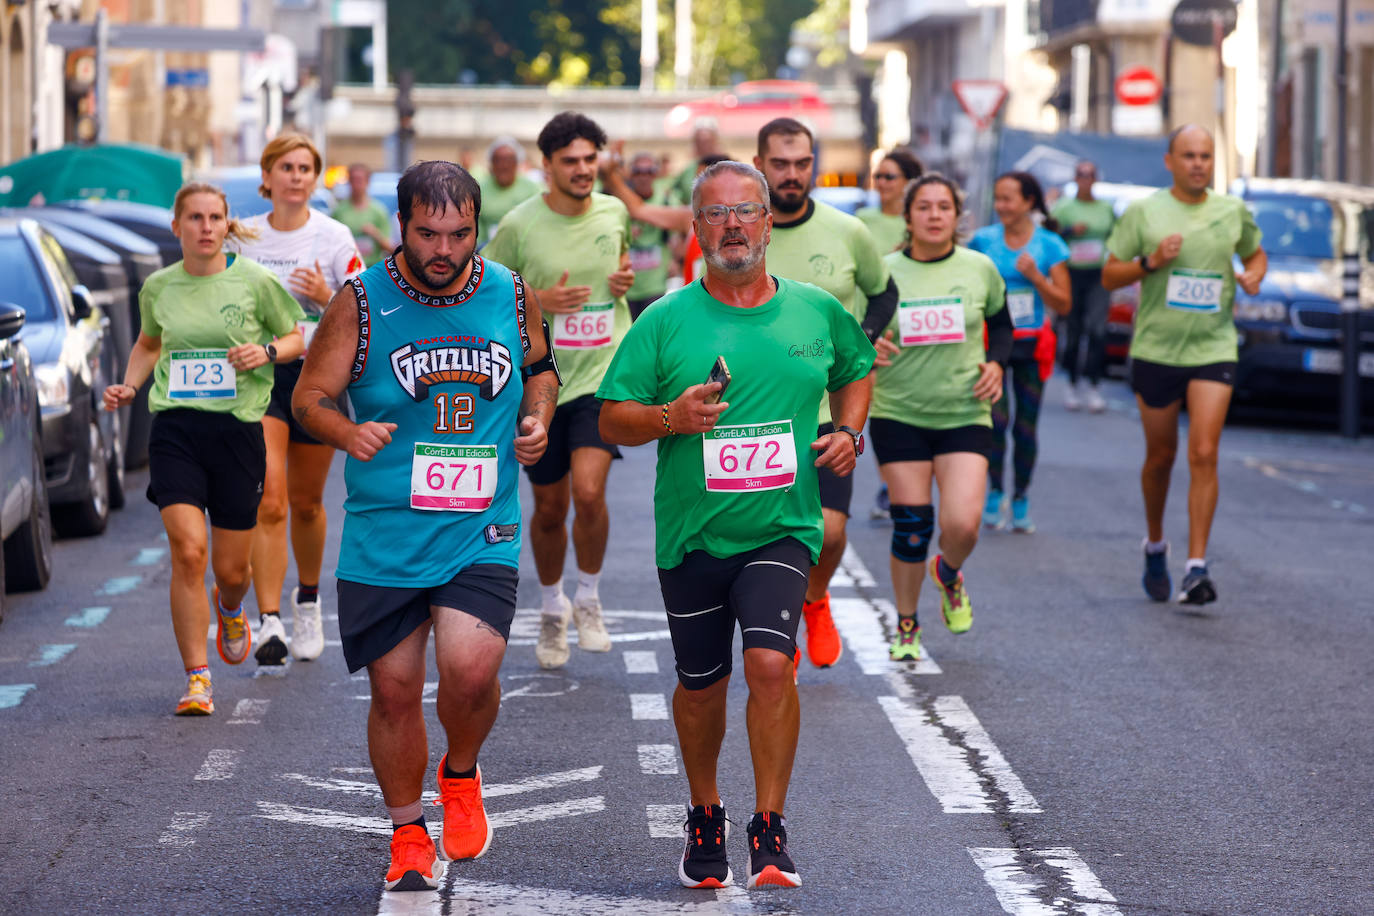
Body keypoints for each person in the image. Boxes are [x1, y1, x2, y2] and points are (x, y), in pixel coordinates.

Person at [597, 161, 875, 890]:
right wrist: (670, 418)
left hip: (782, 526)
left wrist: (851, 430)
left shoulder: (815, 310)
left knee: (770, 663)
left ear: (768, 221)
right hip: (692, 534)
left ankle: (770, 827)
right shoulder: (663, 319)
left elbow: (857, 366)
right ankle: (705, 811)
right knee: (701, 685)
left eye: (745, 212)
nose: (732, 226)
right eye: (716, 215)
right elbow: (610, 417)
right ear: (696, 228)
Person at [292, 160, 559, 891]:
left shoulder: (510, 293)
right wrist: (345, 435)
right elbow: (309, 398)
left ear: (477, 227)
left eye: (459, 235)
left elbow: (543, 367)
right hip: (386, 532)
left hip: (481, 524)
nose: (443, 250)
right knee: (395, 692)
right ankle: (409, 829)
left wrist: (536, 419)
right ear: (401, 224)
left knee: (470, 672)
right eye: (427, 234)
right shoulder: (360, 302)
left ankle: (462, 772)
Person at [103, 182, 305, 715]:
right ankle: (198, 679)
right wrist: (129, 384)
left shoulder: (255, 281)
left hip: (238, 432)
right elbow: (150, 343)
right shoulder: (159, 287)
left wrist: (264, 351)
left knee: (231, 571)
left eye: (215, 218)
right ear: (178, 227)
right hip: (176, 429)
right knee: (189, 550)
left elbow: (295, 338)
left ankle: (232, 607)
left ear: (226, 225)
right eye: (195, 218)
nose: (206, 227)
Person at [483, 112, 634, 669]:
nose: (582, 170)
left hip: (601, 373)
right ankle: (552, 609)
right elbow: (486, 296)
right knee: (550, 507)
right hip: (540, 381)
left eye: (590, 159)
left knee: (590, 492)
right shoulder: (520, 225)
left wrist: (620, 281)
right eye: (569, 161)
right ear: (545, 166)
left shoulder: (615, 211)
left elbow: (618, 269)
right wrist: (538, 298)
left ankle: (589, 599)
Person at [753, 117, 896, 671]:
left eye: (803, 163)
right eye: (781, 164)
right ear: (760, 164)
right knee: (769, 532)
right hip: (755, 413)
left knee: (831, 531)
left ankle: (816, 598)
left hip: (828, 407)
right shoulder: (740, 232)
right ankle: (778, 630)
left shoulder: (847, 230)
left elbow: (884, 292)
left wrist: (862, 344)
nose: (792, 175)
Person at [1102, 124, 1265, 605]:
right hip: (1156, 350)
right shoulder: (1144, 211)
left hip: (1213, 347)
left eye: (1206, 156)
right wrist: (1151, 262)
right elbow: (1111, 274)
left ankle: (1196, 566)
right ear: (1170, 161)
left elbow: (1256, 256)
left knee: (1204, 451)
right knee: (1161, 458)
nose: (1198, 163)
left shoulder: (1233, 211)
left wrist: (1253, 276)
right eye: (1189, 155)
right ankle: (1155, 543)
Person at [235, 133, 365, 666]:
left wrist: (322, 297)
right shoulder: (242, 237)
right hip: (262, 376)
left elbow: (363, 306)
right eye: (286, 167)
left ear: (315, 177)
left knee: (309, 502)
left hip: (317, 376)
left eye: (306, 167)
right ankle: (269, 621)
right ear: (267, 177)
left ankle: (306, 600)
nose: (296, 176)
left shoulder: (334, 237)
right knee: (270, 497)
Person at [870, 174, 1011, 659]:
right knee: (911, 523)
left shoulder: (979, 268)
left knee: (963, 526)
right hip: (899, 410)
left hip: (964, 410)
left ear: (957, 216)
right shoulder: (882, 272)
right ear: (908, 217)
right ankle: (907, 625)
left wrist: (997, 364)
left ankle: (947, 572)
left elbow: (1002, 325)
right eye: (924, 207)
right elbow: (856, 332)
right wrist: (870, 344)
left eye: (943, 207)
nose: (934, 215)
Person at [969, 171, 1071, 534]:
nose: (1001, 206)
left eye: (1008, 198)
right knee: (996, 422)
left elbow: (1065, 301)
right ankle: (995, 491)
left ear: (1029, 202)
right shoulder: (983, 241)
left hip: (1031, 345)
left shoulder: (1049, 245)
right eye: (997, 198)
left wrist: (1037, 277)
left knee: (1026, 428)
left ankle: (1021, 497)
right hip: (993, 344)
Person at [1051, 160, 1115, 412]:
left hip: (1097, 273)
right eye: (1081, 175)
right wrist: (1069, 230)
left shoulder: (1105, 209)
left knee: (1097, 330)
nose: (1086, 179)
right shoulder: (1064, 206)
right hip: (1072, 273)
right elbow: (1051, 234)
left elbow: (1116, 236)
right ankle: (1071, 383)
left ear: (1095, 179)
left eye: (1090, 175)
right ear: (1075, 178)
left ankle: (1094, 386)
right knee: (1074, 330)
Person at [623, 152, 672, 320]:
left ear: (655, 174)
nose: (643, 177)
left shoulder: (667, 200)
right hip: (626, 288)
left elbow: (684, 228)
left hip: (655, 288)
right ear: (631, 174)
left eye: (648, 171)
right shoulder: (620, 202)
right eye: (638, 172)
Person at [855, 148, 924, 255]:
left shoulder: (919, 221)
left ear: (909, 181)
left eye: (889, 177)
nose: (881, 183)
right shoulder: (862, 218)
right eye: (878, 176)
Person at [476, 136, 542, 245]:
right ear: (491, 163)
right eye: (498, 160)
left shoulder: (532, 189)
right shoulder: (479, 189)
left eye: (509, 160)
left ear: (517, 163)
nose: (503, 165)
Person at [332, 162, 395, 267]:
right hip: (345, 267)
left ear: (367, 182)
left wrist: (375, 233)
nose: (356, 185)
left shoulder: (379, 211)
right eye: (353, 180)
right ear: (349, 182)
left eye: (360, 180)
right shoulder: (339, 211)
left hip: (371, 268)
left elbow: (390, 248)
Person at [668, 120, 724, 204]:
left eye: (707, 141)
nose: (703, 146)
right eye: (699, 141)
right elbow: (672, 191)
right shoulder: (688, 169)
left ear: (715, 141)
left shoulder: (725, 166)